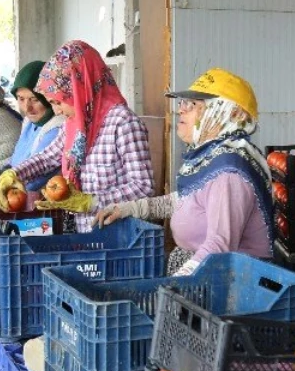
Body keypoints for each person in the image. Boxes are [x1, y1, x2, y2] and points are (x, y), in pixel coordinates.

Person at [96, 68, 271, 274]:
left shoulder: (229, 174)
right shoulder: (212, 157)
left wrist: (177, 283)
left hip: (232, 280)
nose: (181, 110)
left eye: (194, 105)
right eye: (184, 103)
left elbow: (219, 246)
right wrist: (130, 209)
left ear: (231, 113)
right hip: (204, 271)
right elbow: (183, 202)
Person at [0, 40, 154, 231]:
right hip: (85, 231)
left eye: (59, 102)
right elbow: (47, 158)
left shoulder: (123, 123)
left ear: (78, 91)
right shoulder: (75, 124)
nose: (56, 111)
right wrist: (14, 174)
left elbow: (144, 187)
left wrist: (91, 202)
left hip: (118, 235)